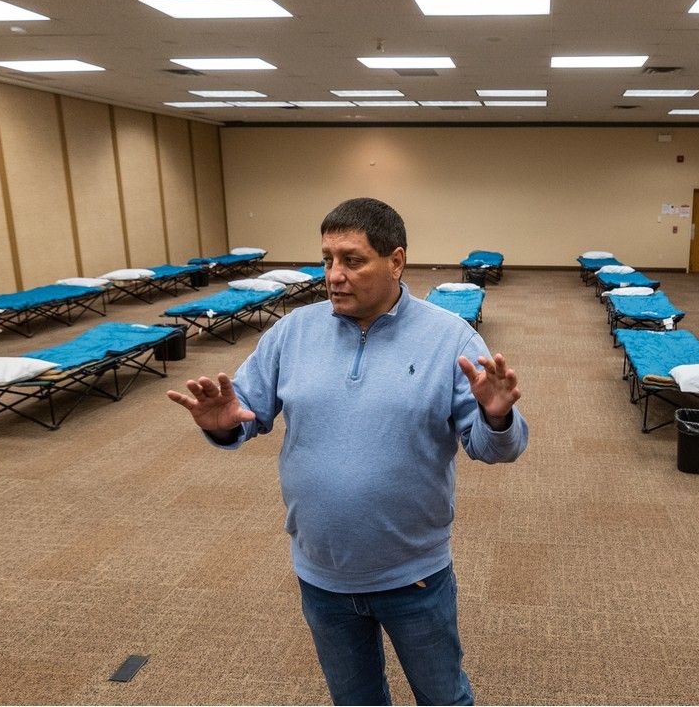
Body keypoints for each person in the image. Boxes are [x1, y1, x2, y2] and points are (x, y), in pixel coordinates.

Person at [168, 197, 528, 706]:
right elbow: (243, 410)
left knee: (443, 697)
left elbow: (498, 449)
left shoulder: (450, 339)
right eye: (327, 259)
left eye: (352, 260)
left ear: (396, 261)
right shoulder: (293, 331)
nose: (334, 275)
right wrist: (224, 426)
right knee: (355, 700)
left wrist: (496, 416)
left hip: (414, 576)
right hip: (321, 575)